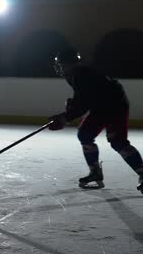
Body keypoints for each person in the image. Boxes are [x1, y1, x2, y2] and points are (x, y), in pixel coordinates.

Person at [48, 47, 143, 193]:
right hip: (100, 107)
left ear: (68, 63)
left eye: (61, 64)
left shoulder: (81, 74)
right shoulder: (74, 74)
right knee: (85, 134)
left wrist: (65, 117)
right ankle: (95, 172)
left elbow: (84, 103)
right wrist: (69, 111)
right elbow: (82, 98)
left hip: (115, 105)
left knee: (118, 142)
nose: (60, 68)